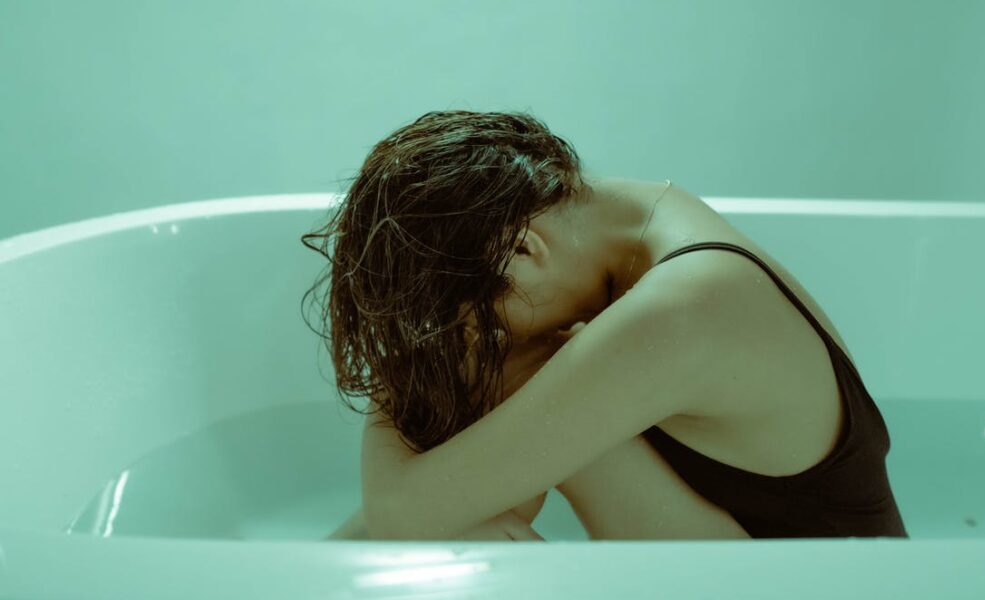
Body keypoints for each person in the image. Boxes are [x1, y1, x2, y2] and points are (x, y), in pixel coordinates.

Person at [303, 110, 908, 541]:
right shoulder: (641, 214)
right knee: (484, 460)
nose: (484, 337)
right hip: (758, 563)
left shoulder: (683, 309)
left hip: (824, 588)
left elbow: (403, 515)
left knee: (508, 394)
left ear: (523, 247)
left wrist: (397, 377)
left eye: (471, 323)